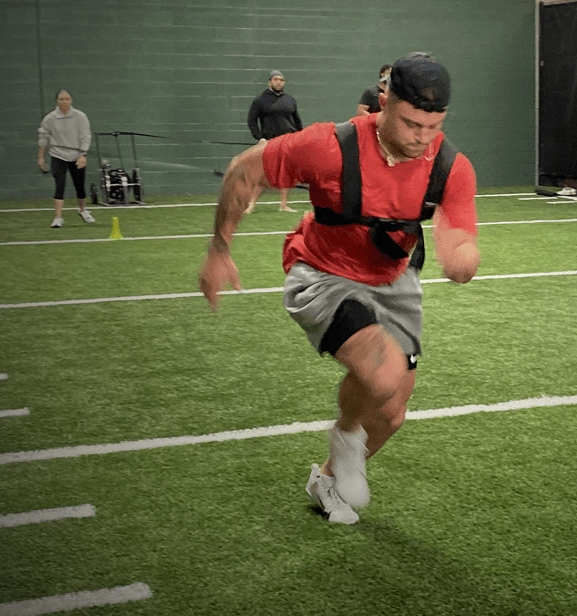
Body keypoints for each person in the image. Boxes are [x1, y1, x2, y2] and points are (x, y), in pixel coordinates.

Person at [200, 53, 480, 524]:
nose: (422, 138)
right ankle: (347, 434)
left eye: (434, 126)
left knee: (391, 414)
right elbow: (244, 170)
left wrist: (461, 257)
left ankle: (326, 479)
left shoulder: (450, 166)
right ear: (383, 100)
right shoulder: (330, 146)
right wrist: (218, 249)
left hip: (394, 281)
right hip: (321, 272)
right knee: (383, 373)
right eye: (412, 124)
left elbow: (460, 237)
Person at [246, 70, 302, 213]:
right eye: (276, 79)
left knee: (286, 173)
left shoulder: (290, 100)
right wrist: (260, 138)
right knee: (264, 174)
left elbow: (297, 121)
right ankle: (251, 204)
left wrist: (300, 138)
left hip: (288, 141)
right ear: (269, 82)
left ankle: (283, 205)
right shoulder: (261, 100)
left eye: (281, 80)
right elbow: (252, 120)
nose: (278, 82)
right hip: (270, 142)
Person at [37, 89, 94, 228]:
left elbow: (85, 137)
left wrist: (83, 155)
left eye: (67, 98)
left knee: (80, 187)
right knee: (59, 186)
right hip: (58, 155)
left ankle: (82, 210)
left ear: (71, 100)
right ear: (57, 101)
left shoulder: (80, 116)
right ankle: (58, 218)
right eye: (62, 99)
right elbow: (43, 137)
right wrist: (40, 157)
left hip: (76, 156)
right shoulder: (50, 118)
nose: (65, 101)